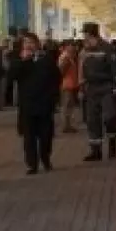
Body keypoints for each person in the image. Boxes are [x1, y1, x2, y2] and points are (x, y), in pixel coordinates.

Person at [10, 33, 60, 174]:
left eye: (31, 42)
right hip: (27, 105)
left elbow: (56, 78)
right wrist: (24, 61)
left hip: (44, 104)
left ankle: (45, 157)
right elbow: (11, 77)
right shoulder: (19, 60)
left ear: (37, 44)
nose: (29, 45)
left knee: (45, 136)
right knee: (29, 137)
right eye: (26, 42)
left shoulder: (46, 59)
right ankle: (32, 164)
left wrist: (53, 98)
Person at [78, 22, 116, 161]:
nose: (84, 37)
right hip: (91, 89)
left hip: (107, 88)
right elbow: (82, 70)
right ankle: (96, 151)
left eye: (85, 34)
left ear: (91, 34)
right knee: (92, 120)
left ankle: (112, 145)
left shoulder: (107, 48)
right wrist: (81, 88)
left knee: (109, 117)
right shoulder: (85, 51)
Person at [57, 40, 79, 133]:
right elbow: (61, 71)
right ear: (67, 47)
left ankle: (68, 124)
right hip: (66, 85)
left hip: (70, 84)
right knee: (66, 106)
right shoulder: (65, 57)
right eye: (71, 45)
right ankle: (65, 125)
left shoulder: (70, 57)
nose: (73, 47)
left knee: (69, 106)